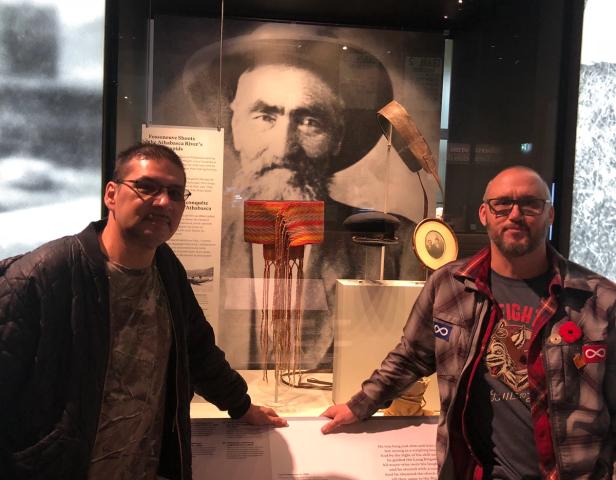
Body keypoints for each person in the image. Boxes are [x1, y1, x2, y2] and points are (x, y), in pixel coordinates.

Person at [0, 142, 287, 480]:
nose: (163, 202)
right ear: (111, 194)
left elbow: (197, 351)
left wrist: (241, 406)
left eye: (175, 193)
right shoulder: (44, 274)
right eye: (146, 187)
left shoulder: (166, 270)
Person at [321, 166, 616, 479]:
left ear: (550, 214)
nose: (515, 214)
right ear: (484, 213)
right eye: (502, 203)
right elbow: (412, 356)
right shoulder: (449, 286)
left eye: (530, 204)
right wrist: (359, 405)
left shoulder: (599, 300)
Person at [182, 24, 421, 368]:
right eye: (265, 116)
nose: (284, 147)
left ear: (337, 138)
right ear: (235, 128)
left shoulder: (396, 246)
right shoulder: (204, 246)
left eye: (309, 121)